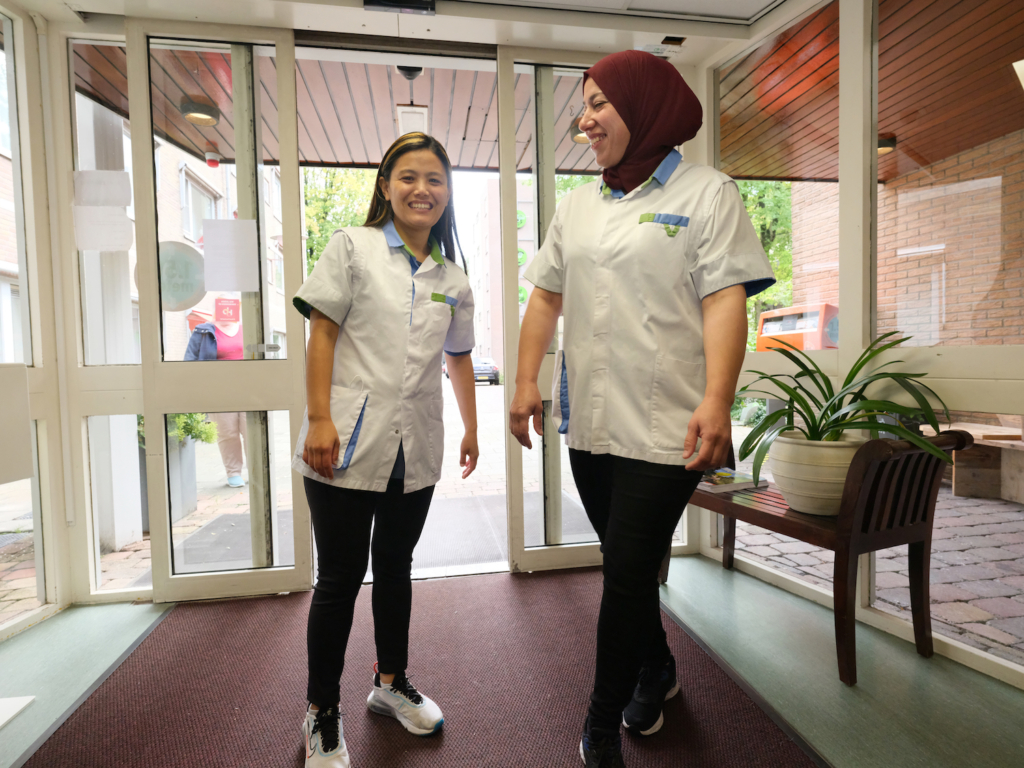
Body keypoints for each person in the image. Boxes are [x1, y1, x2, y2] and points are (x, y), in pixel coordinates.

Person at [510, 51, 775, 768]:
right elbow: (546, 296)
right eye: (584, 106)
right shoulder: (578, 205)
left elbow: (725, 300)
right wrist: (526, 380)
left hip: (669, 425)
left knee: (626, 573)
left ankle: (599, 728)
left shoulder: (708, 193)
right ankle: (657, 667)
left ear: (643, 104)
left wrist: (718, 400)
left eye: (599, 103)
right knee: (624, 564)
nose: (585, 120)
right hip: (591, 424)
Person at [291, 132, 479, 768]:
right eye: (408, 177)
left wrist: (471, 427)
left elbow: (459, 357)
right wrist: (320, 417)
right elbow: (322, 331)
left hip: (415, 443)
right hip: (343, 441)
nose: (422, 189)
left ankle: (390, 683)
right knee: (339, 578)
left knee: (396, 568)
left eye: (435, 179)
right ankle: (320, 710)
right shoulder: (353, 246)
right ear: (385, 186)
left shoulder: (453, 278)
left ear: (447, 192)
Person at [183, 297, 248, 488]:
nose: (227, 310)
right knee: (227, 433)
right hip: (219, 390)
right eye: (222, 306)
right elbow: (190, 360)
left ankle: (258, 469)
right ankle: (233, 473)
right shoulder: (203, 331)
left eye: (231, 306)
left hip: (248, 388)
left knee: (252, 430)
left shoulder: (248, 329)